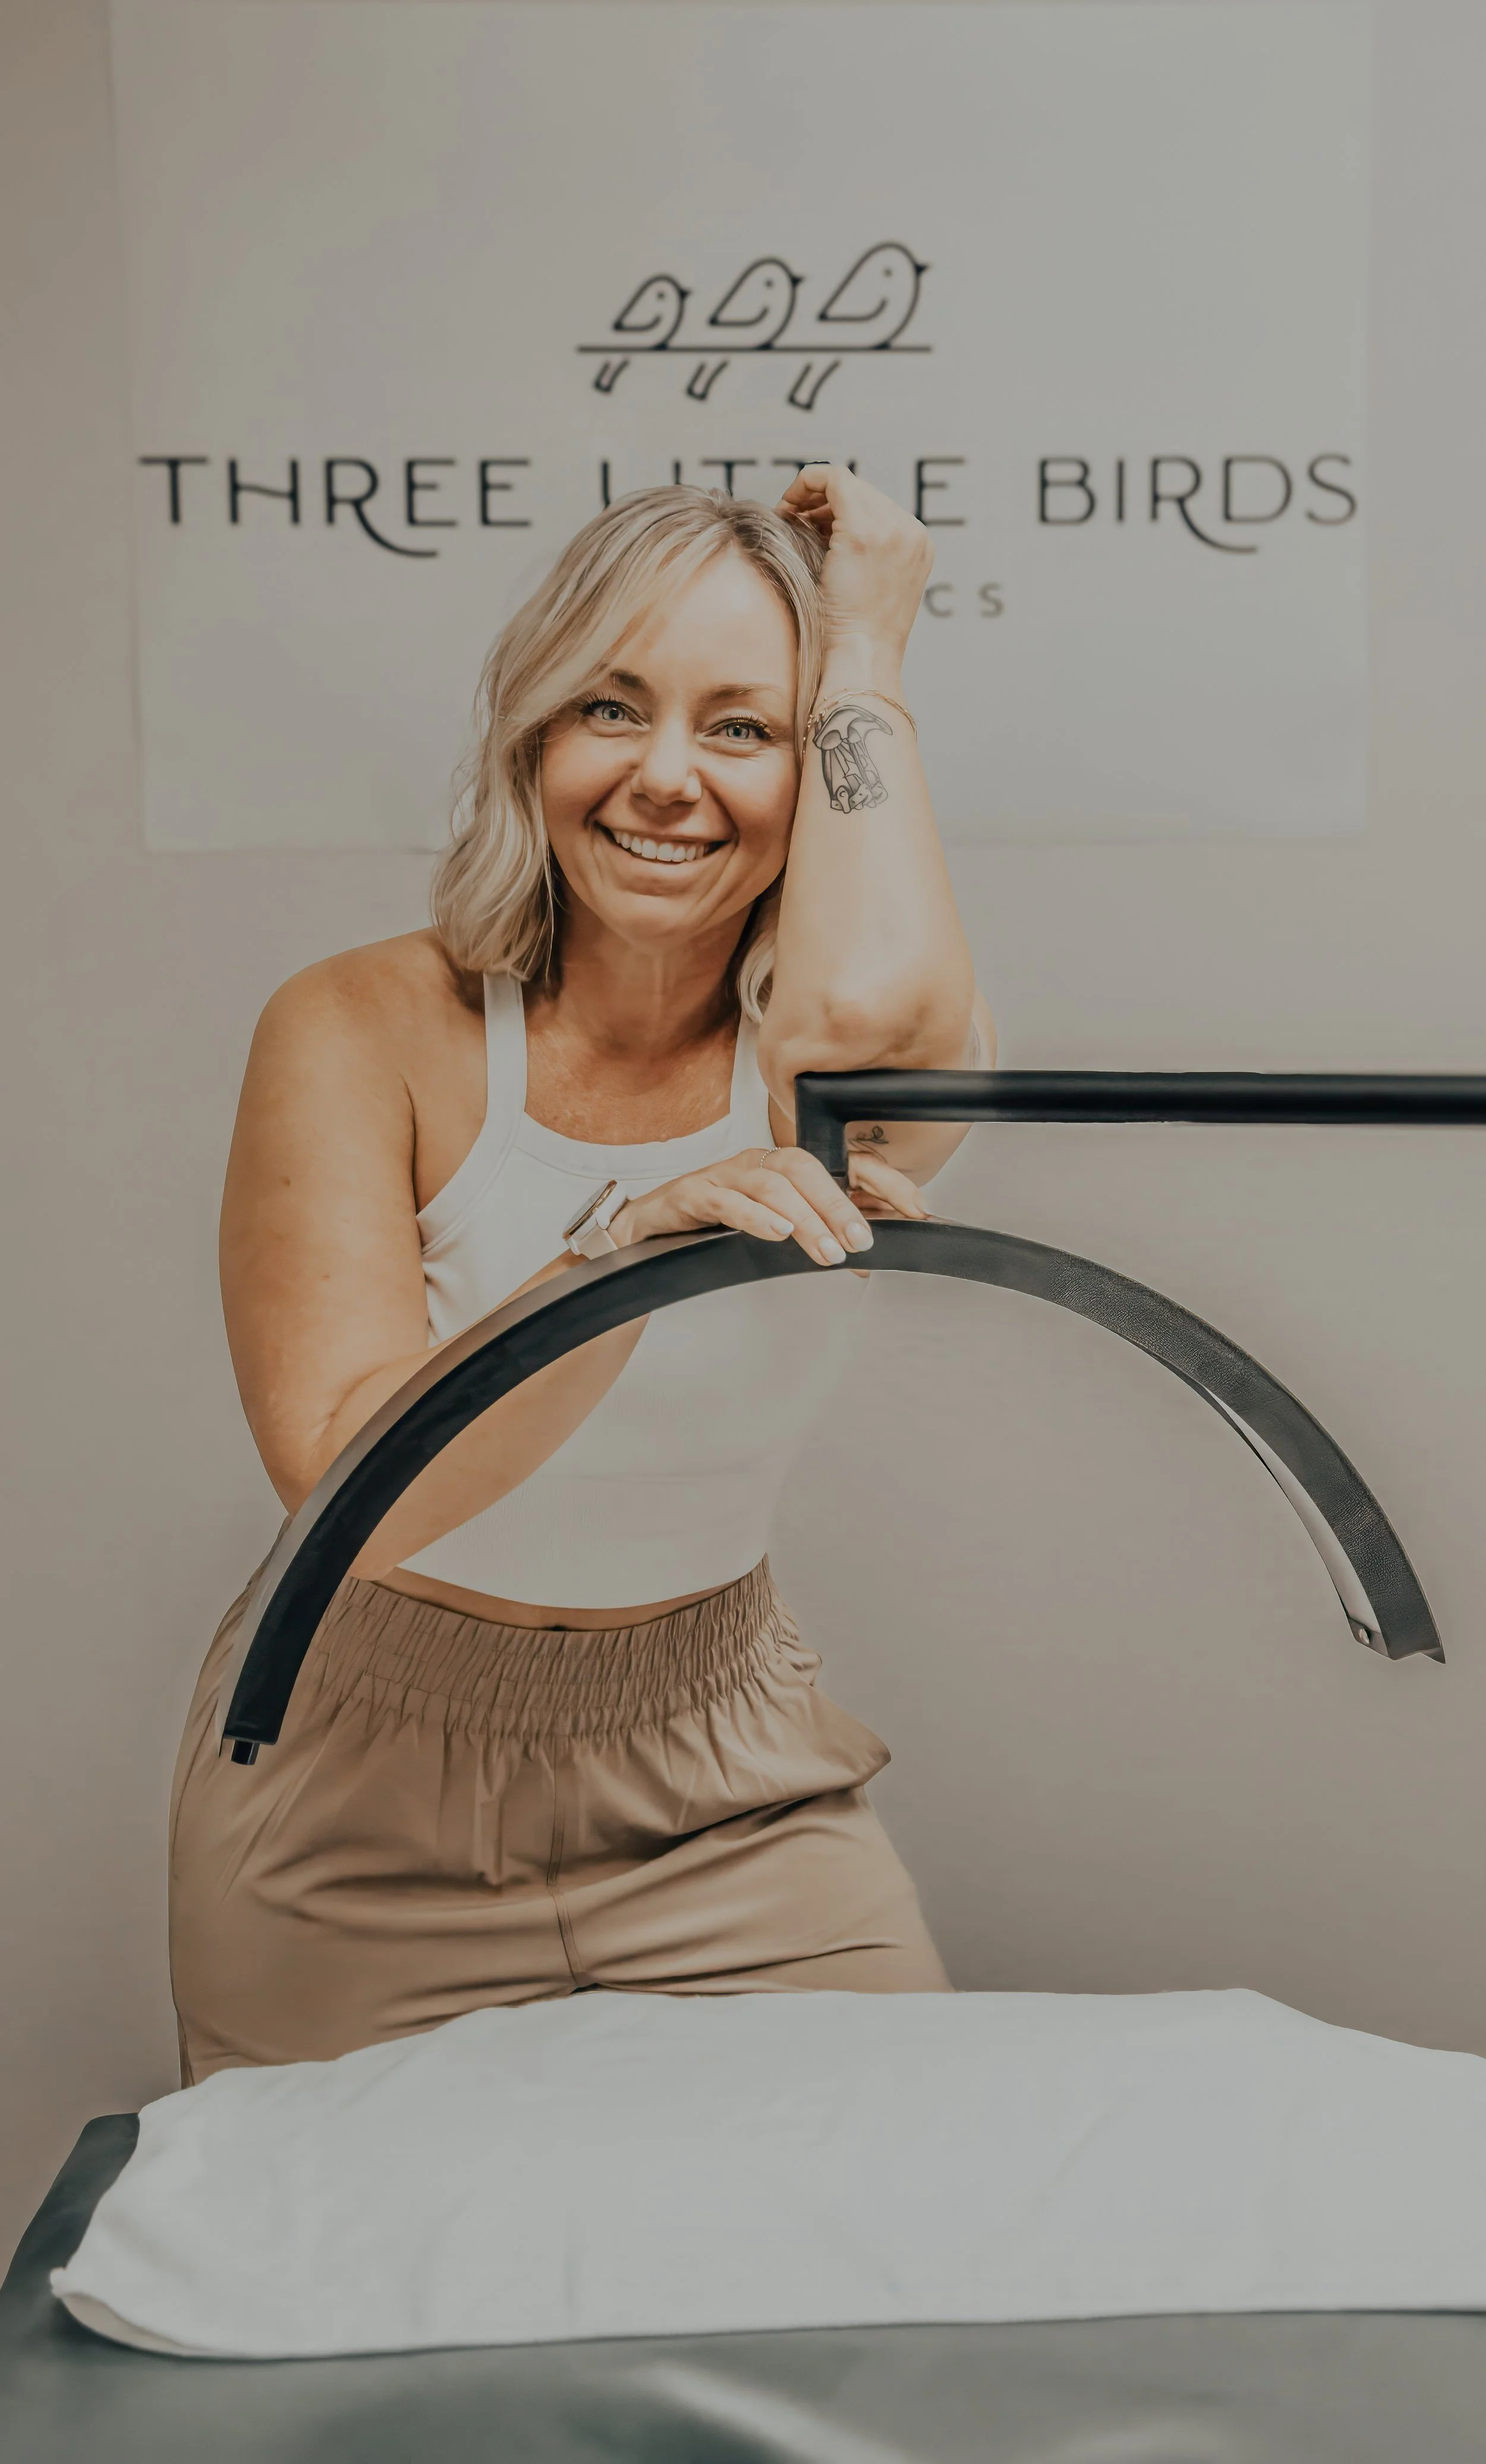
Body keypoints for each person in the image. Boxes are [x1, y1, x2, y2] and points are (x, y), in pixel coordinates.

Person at [169, 466, 994, 2082]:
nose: (666, 780)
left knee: (870, 2250)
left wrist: (871, 656)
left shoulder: (818, 1057)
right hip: (354, 1779)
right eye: (611, 708)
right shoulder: (356, 1025)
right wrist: (615, 1254)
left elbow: (878, 1029)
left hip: (724, 1776)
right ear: (532, 737)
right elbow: (346, 1482)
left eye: (744, 729)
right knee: (354, 2313)